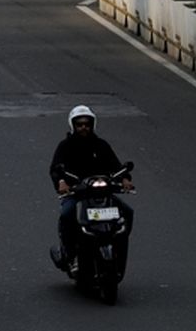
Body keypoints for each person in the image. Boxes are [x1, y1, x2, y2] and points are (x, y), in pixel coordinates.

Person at [49, 105, 133, 274]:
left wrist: (124, 179)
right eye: (79, 124)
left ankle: (118, 245)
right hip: (77, 193)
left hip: (102, 193)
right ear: (73, 125)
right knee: (67, 214)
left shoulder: (101, 145)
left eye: (87, 124)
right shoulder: (65, 146)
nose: (83, 127)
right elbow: (55, 169)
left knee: (128, 212)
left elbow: (116, 166)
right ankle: (71, 255)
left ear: (92, 124)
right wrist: (62, 183)